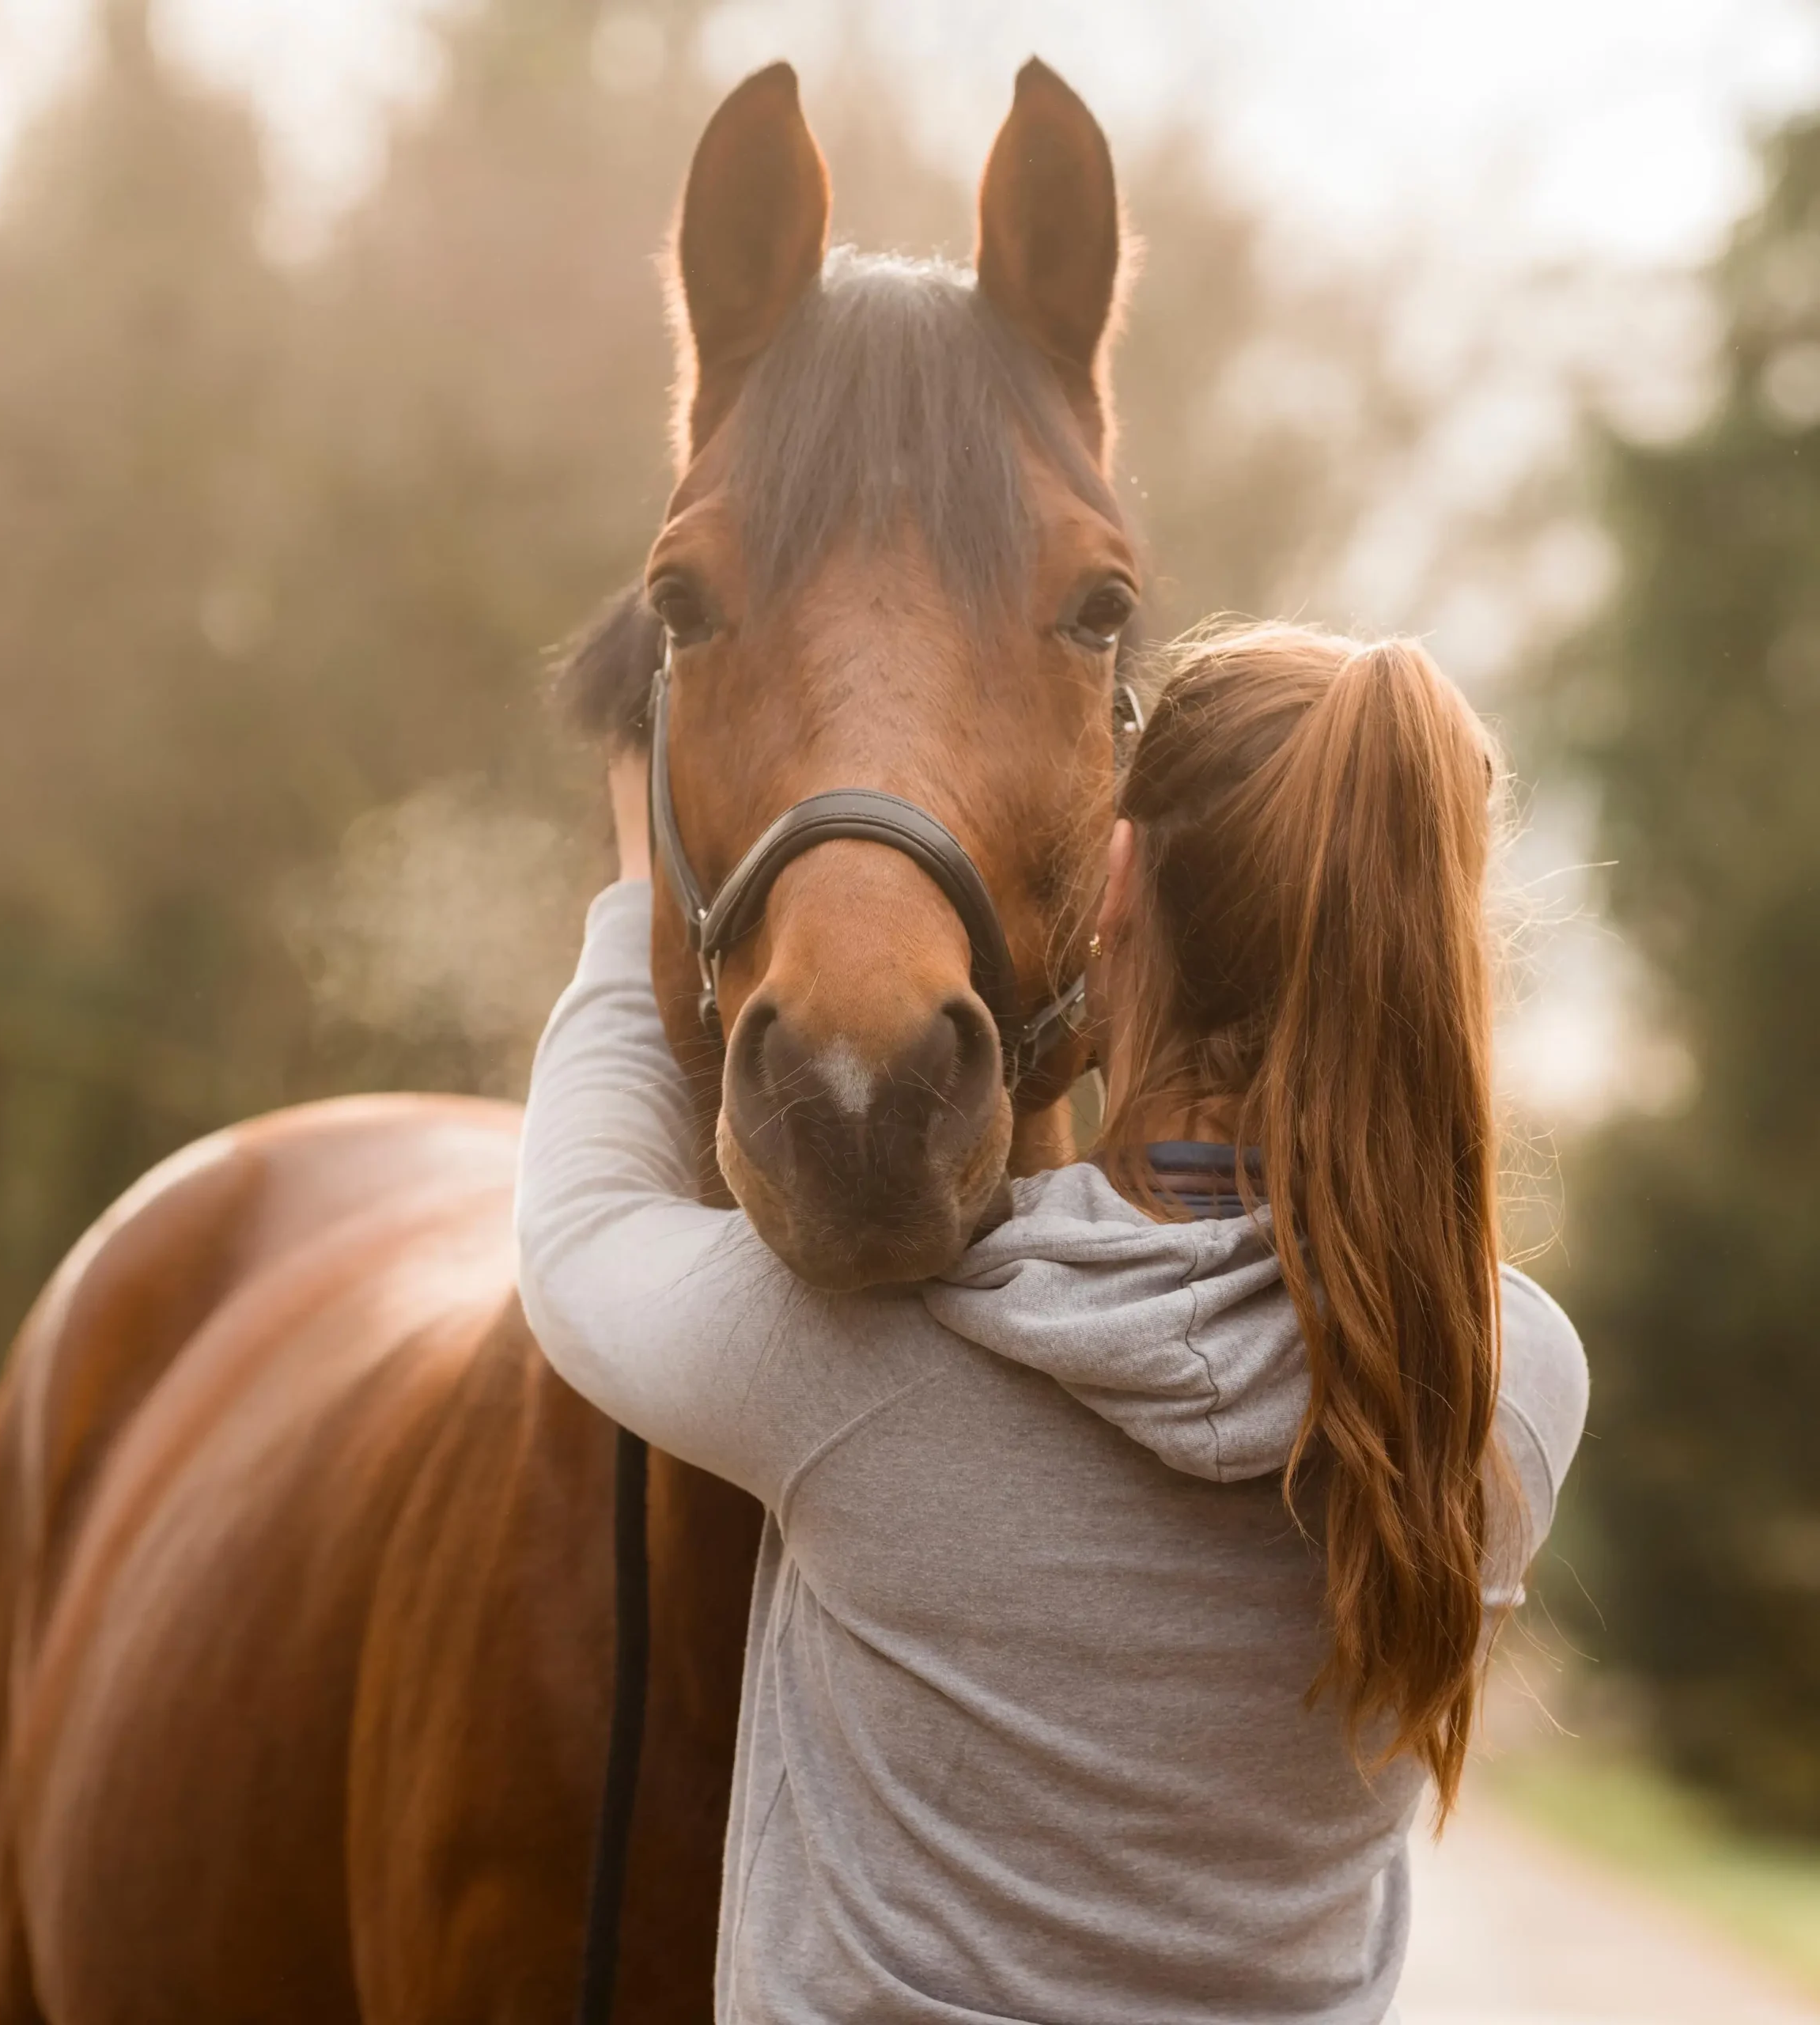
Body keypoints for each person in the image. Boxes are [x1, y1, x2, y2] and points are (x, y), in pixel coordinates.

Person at [516, 619, 1589, 2024]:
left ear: (1118, 882)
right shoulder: (1500, 1388)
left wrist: (639, 893)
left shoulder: (872, 1355)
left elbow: (580, 1235)